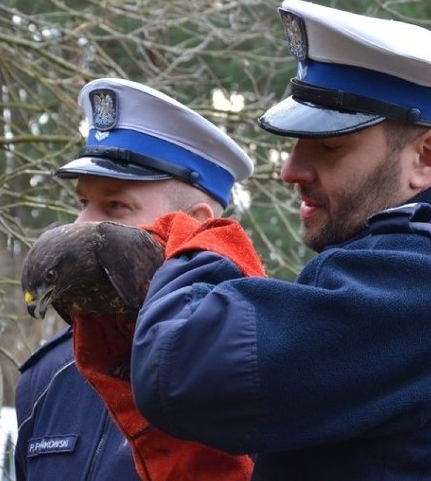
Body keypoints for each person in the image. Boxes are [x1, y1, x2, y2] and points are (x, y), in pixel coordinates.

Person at [129, 0, 431, 478]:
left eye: (329, 146)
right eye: (296, 145)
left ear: (426, 156)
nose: (290, 170)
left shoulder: (425, 275)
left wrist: (194, 244)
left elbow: (178, 372)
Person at [14, 78, 255, 480]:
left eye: (115, 206)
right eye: (82, 203)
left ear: (195, 225)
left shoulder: (263, 363)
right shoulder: (46, 378)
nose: (82, 224)